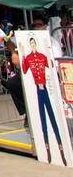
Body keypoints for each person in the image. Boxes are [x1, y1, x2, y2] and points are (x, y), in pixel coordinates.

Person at [21, 36, 68, 166]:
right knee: (43, 121)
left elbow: (52, 67)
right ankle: (47, 150)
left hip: (45, 88)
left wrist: (49, 54)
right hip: (38, 89)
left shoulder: (42, 56)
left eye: (34, 43)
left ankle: (61, 148)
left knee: (53, 119)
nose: (33, 46)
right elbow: (24, 70)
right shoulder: (30, 58)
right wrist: (23, 56)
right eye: (31, 44)